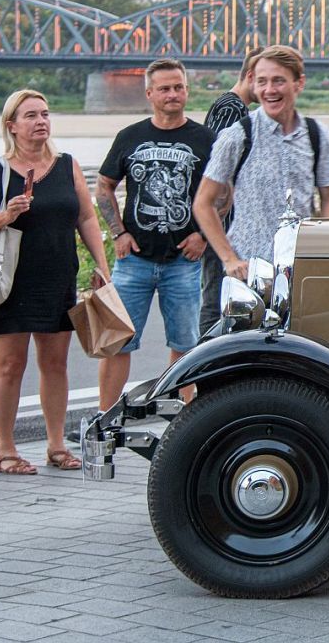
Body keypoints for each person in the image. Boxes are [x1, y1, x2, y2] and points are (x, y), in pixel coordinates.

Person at [0, 88, 108, 475]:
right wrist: (4, 216)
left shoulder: (67, 165)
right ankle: (5, 450)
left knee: (56, 364)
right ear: (11, 125)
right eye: (30, 115)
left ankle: (56, 445)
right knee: (10, 365)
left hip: (57, 275)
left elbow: (86, 218)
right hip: (9, 280)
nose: (41, 121)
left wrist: (102, 265)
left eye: (44, 113)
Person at [94, 59, 212, 411]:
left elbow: (223, 193)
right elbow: (103, 186)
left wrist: (203, 235)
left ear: (186, 91)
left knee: (186, 344)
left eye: (178, 87)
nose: (172, 94)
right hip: (134, 260)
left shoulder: (205, 139)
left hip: (183, 261)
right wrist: (117, 233)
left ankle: (183, 418)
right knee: (117, 343)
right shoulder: (130, 137)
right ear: (149, 94)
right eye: (164, 88)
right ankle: (106, 419)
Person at [194, 45, 329, 286]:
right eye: (262, 81)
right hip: (249, 273)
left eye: (278, 81)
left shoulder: (316, 134)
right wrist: (229, 259)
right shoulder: (238, 135)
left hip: (302, 272)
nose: (269, 90)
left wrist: (327, 251)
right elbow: (203, 203)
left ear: (299, 83)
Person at [198, 49, 260, 334]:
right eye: (261, 80)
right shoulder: (231, 109)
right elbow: (219, 163)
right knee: (217, 299)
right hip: (223, 225)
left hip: (225, 223)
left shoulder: (231, 105)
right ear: (250, 76)